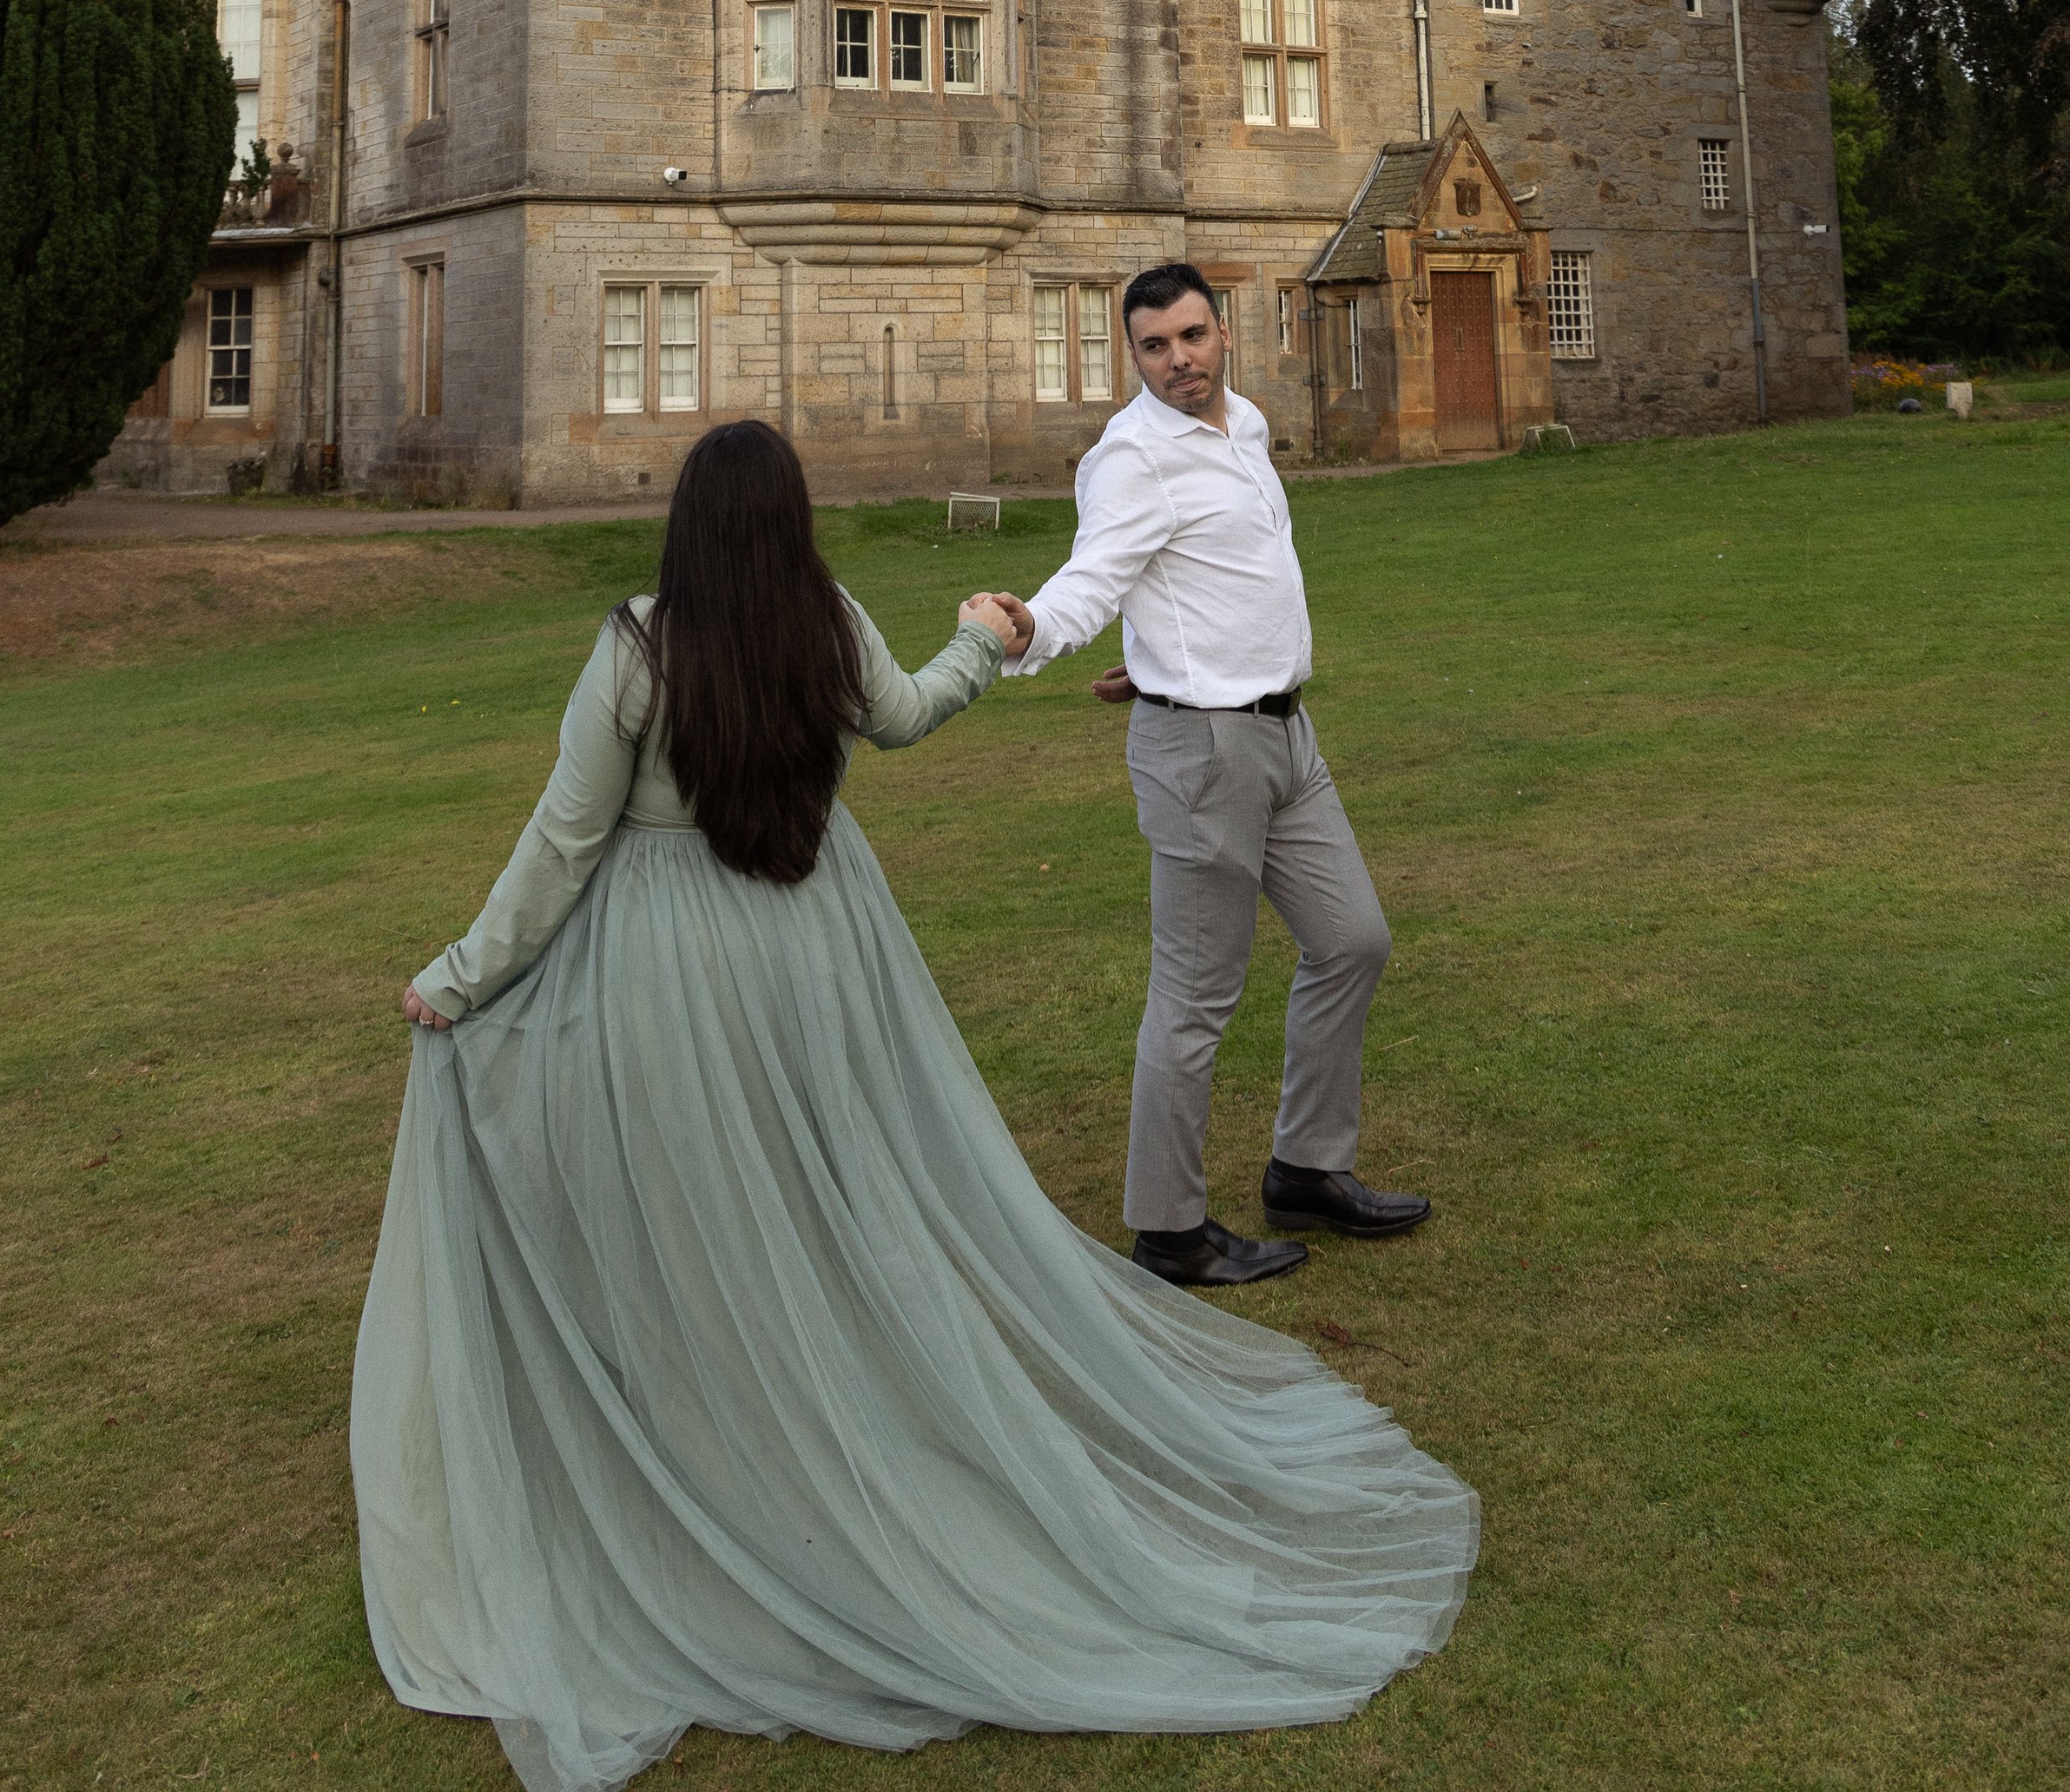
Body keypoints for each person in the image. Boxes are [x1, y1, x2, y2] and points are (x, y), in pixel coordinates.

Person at [353, 417, 1475, 1792]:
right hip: (819, 944)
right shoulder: (819, 616)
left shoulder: (639, 645)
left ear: (687, 524)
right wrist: (982, 638)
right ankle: (803, 1403)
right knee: (829, 1181)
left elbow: (564, 840)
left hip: (677, 963)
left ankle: (728, 1441)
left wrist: (460, 978)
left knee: (703, 1196)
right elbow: (908, 713)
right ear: (791, 522)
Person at [979, 261, 1430, 1290]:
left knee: (1353, 940)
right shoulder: (1132, 457)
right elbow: (1096, 573)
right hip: (1204, 757)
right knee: (1194, 996)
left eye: (1191, 336)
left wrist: (1154, 662)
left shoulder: (1249, 425)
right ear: (1130, 353)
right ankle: (1169, 1230)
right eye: (1153, 345)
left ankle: (1307, 1168)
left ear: (1222, 331)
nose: (1177, 359)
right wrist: (1030, 628)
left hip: (1285, 735)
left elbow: (1208, 579)